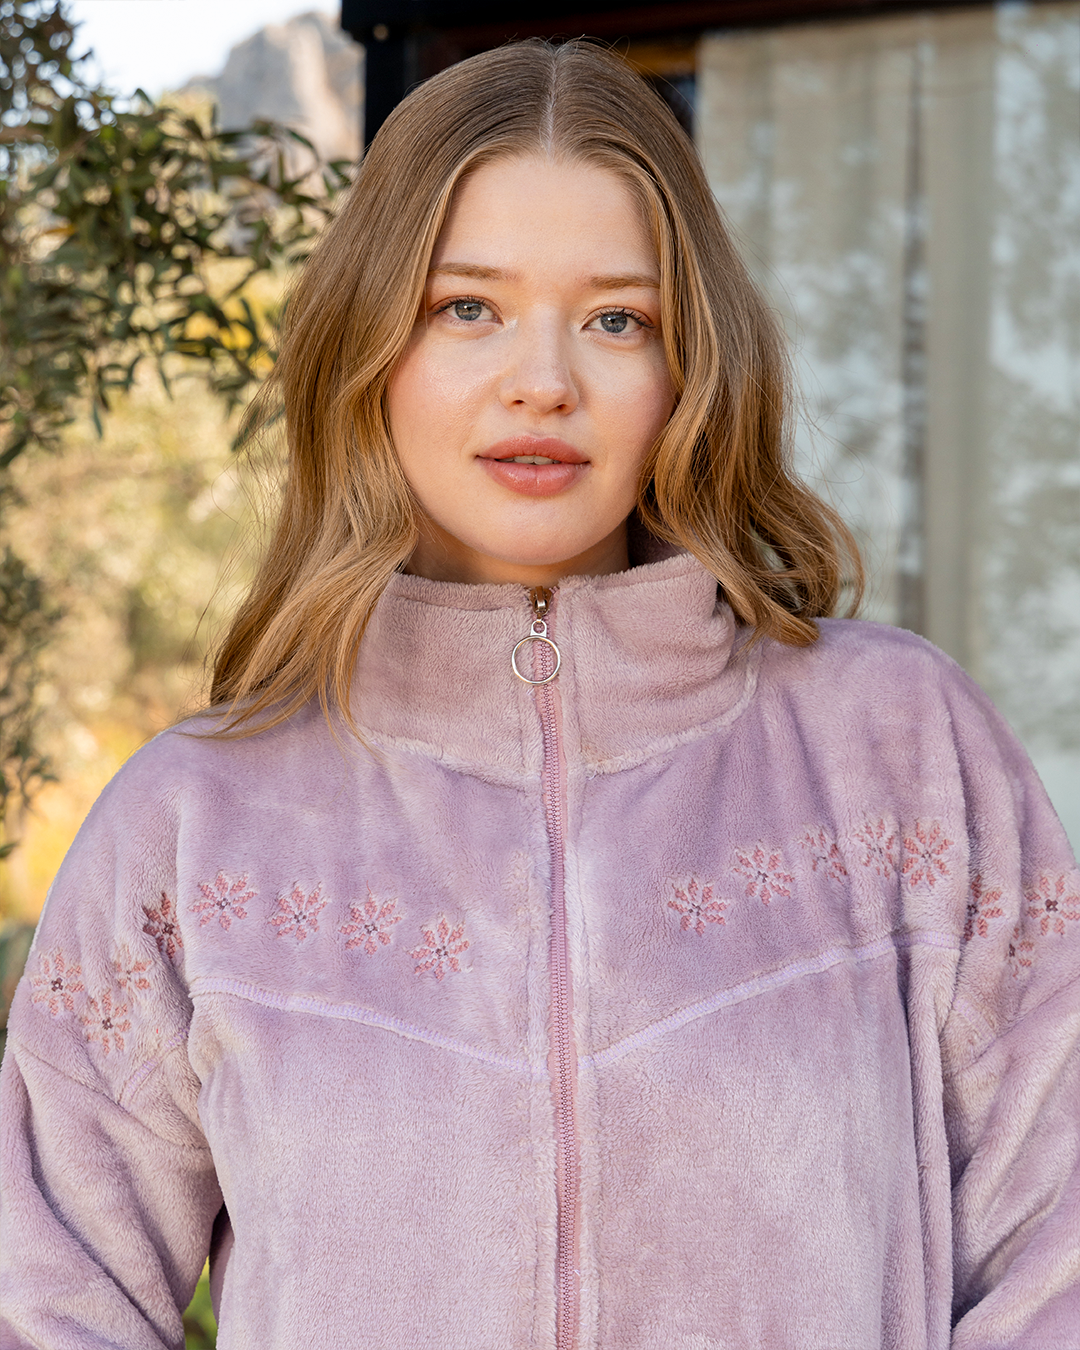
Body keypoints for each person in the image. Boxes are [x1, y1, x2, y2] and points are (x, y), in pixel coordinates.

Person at [1, 38, 1078, 1350]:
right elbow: (42, 1298)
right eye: (469, 307)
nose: (544, 381)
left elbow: (1061, 1253)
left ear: (689, 369)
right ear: (370, 344)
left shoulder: (897, 753)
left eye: (618, 319)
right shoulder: (195, 824)